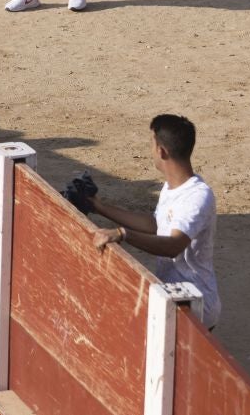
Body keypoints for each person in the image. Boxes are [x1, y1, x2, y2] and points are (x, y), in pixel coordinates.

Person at [87, 114, 220, 331]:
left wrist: (123, 234)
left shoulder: (197, 197)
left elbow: (173, 245)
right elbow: (156, 226)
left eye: (152, 144)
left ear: (161, 151)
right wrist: (99, 207)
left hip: (196, 307)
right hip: (174, 299)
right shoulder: (172, 187)